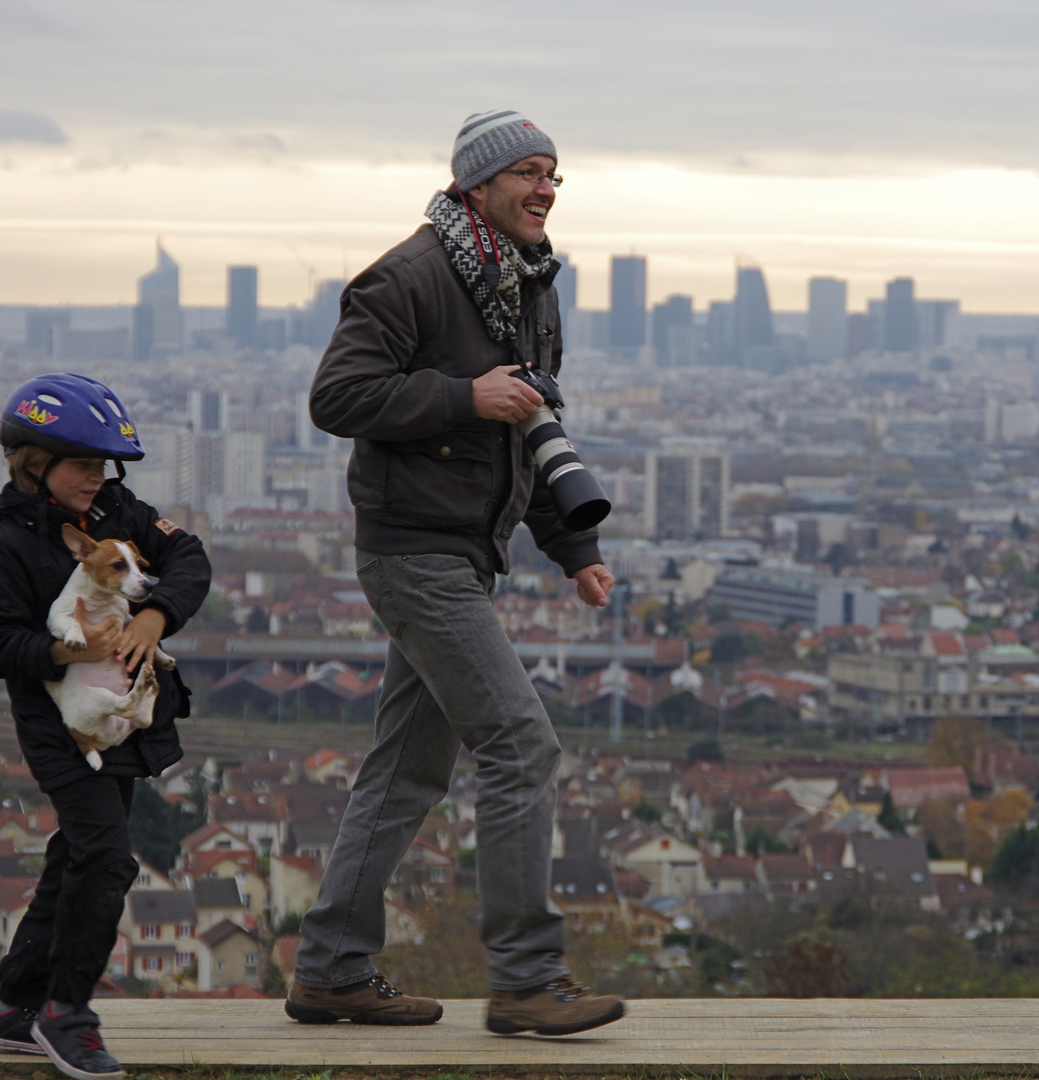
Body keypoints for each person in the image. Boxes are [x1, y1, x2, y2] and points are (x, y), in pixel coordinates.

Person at [292, 110, 624, 1036]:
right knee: (522, 744)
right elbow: (337, 396)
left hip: (465, 555)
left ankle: (328, 971)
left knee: (405, 771)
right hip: (414, 552)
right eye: (526, 171)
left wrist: (575, 550)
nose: (546, 188)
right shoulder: (408, 276)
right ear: (476, 185)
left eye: (554, 173)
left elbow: (528, 421)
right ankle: (525, 980)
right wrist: (461, 395)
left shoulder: (527, 284)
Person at [0, 374, 211, 1078]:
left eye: (104, 466)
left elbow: (187, 555)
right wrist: (70, 650)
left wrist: (159, 616)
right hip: (57, 724)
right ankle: (66, 1013)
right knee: (108, 858)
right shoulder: (3, 543)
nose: (97, 479)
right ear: (34, 464)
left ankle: (15, 1007)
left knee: (78, 851)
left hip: (126, 720)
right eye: (83, 465)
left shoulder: (117, 510)